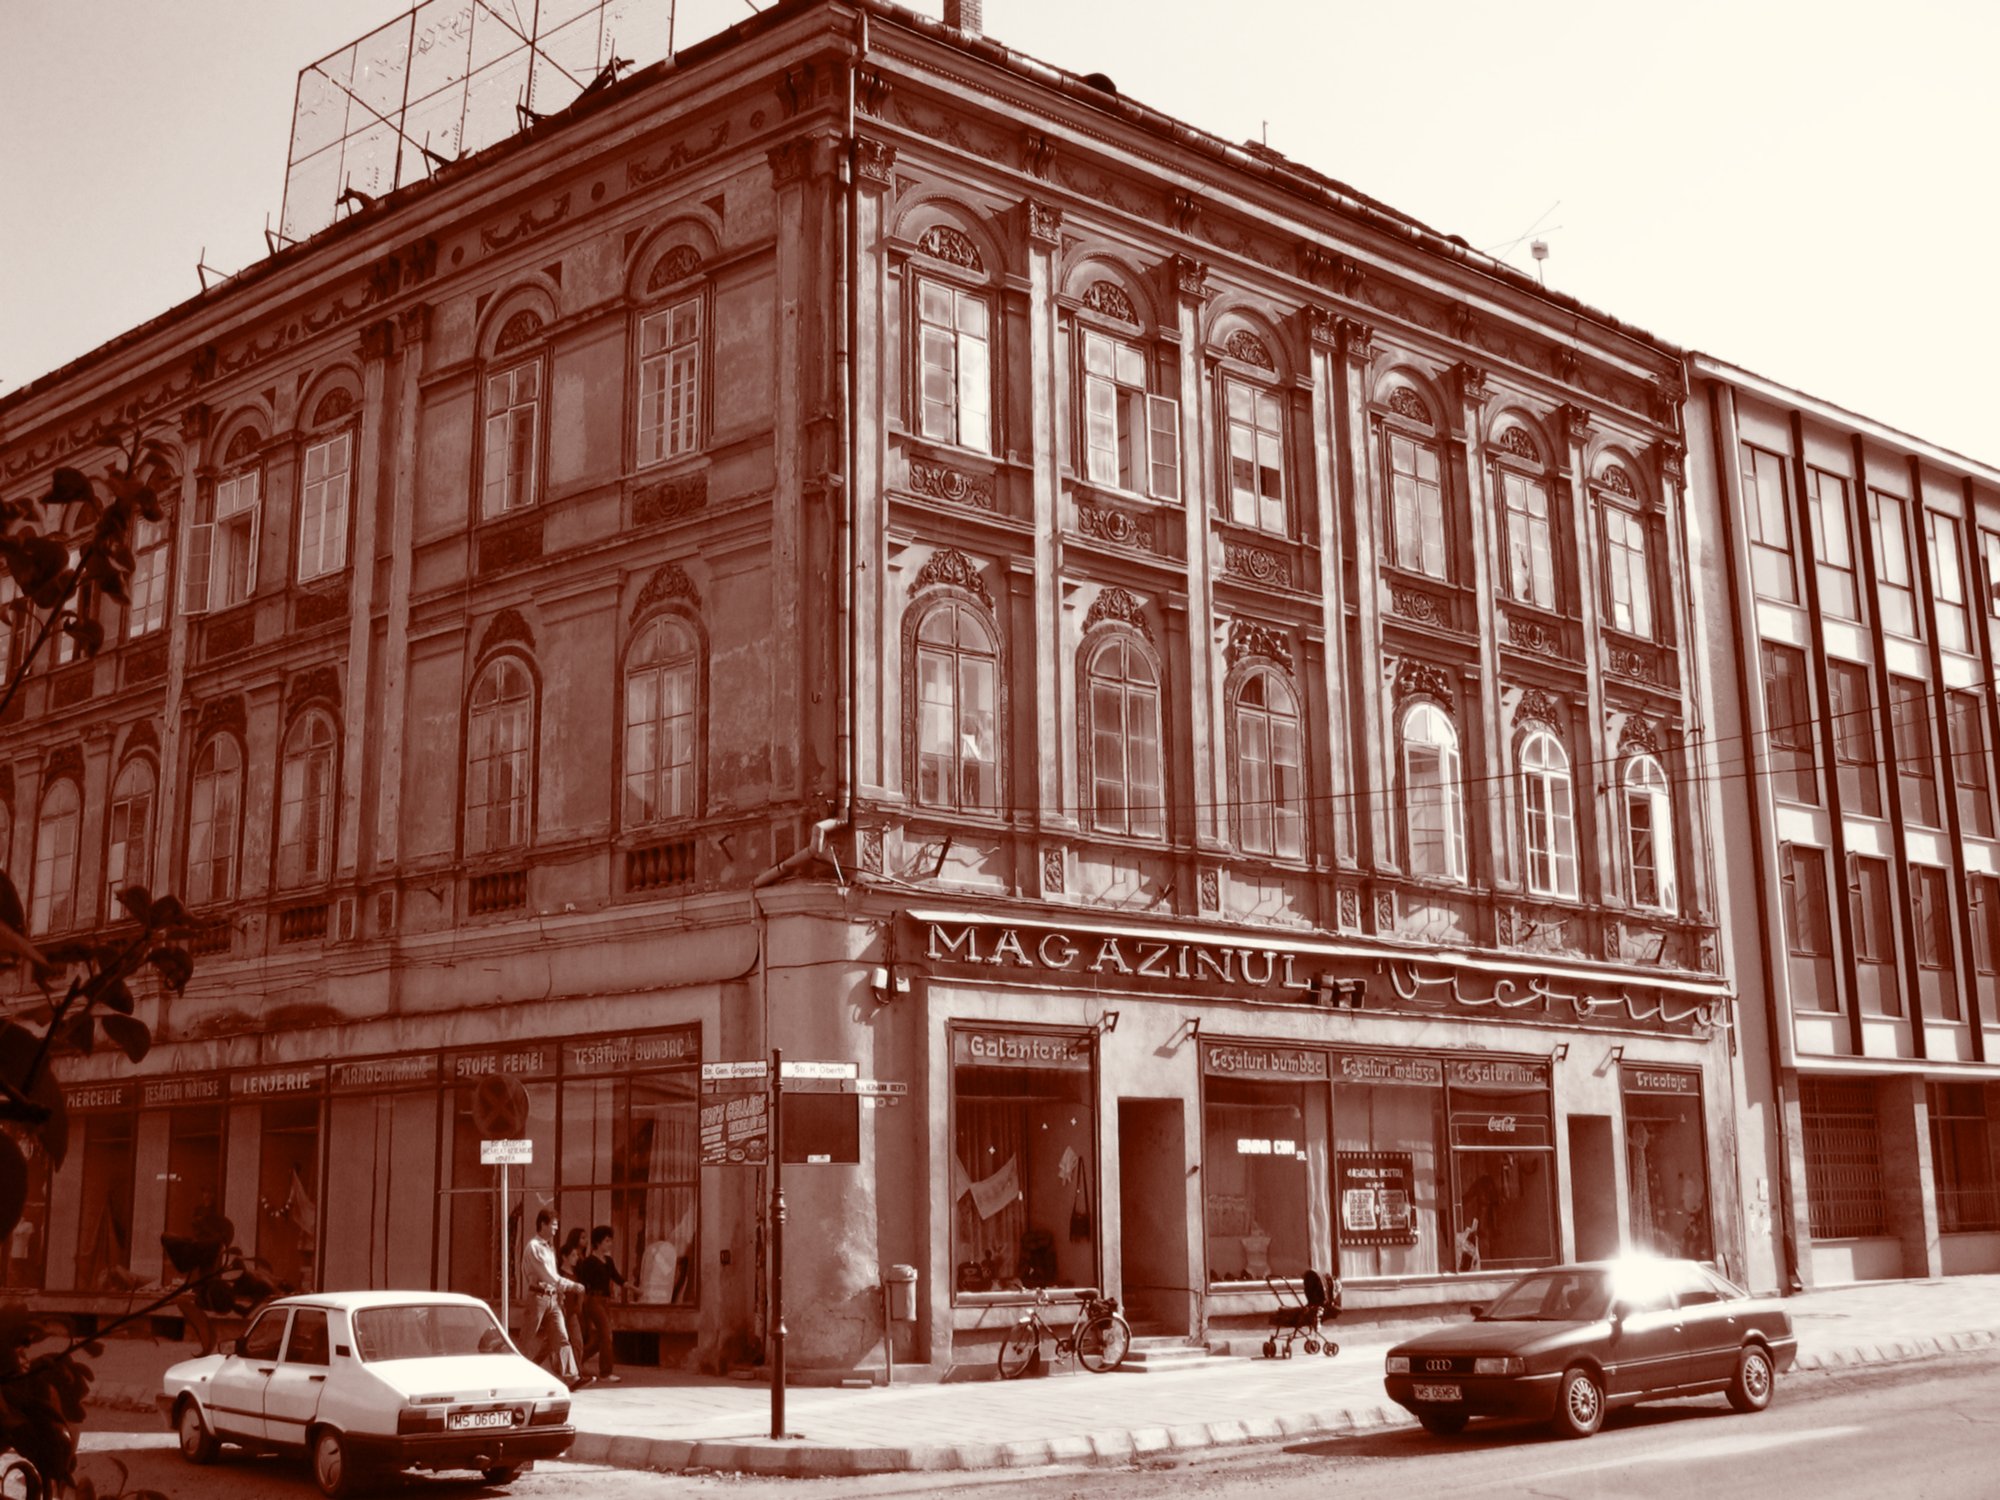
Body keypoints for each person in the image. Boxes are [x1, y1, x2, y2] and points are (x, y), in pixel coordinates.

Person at [524, 1208, 582, 1386]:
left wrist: (560, 1293)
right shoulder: (533, 1247)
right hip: (538, 1297)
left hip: (552, 1298)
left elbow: (553, 1274)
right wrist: (570, 1285)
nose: (556, 1229)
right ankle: (519, 1373)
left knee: (562, 1336)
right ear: (543, 1224)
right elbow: (547, 1275)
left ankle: (572, 1377)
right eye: (554, 1225)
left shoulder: (549, 1247)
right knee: (528, 1338)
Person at [574, 1225, 628, 1383]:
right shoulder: (589, 1262)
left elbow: (618, 1278)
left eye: (611, 1240)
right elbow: (583, 1284)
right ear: (598, 1243)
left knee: (600, 1339)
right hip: (593, 1300)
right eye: (607, 1241)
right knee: (607, 1334)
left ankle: (576, 1361)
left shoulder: (608, 1261)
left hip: (605, 1301)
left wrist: (634, 1288)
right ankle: (606, 1372)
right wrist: (581, 1304)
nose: (610, 1244)